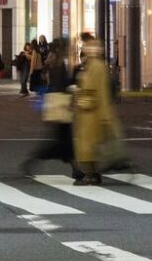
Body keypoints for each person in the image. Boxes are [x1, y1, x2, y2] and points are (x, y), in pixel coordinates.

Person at [22, 41, 82, 180]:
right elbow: (61, 84)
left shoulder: (52, 61)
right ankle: (33, 161)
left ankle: (75, 169)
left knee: (63, 139)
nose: (69, 49)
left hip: (54, 102)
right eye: (66, 47)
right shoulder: (58, 62)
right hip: (60, 103)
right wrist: (72, 86)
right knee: (62, 140)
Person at [72, 40, 128, 185]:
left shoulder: (96, 66)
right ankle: (92, 173)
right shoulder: (94, 65)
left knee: (89, 145)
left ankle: (91, 174)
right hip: (90, 111)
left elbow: (97, 91)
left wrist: (79, 92)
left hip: (92, 112)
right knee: (89, 145)